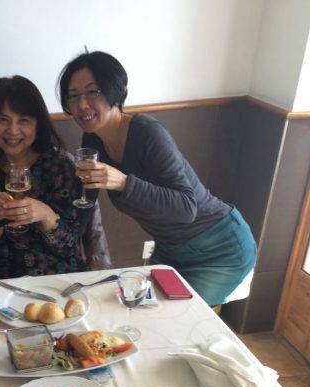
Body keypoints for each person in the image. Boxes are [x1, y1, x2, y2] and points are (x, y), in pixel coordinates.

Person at [58, 51, 257, 306]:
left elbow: (186, 208)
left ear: (115, 92)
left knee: (176, 317)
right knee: (148, 313)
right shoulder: (92, 138)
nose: (82, 104)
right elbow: (87, 200)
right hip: (169, 248)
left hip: (219, 248)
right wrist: (63, 240)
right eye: (73, 95)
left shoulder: (147, 133)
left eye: (92, 92)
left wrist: (123, 182)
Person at [0, 75, 89, 279]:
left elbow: (70, 247)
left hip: (53, 278)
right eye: (3, 120)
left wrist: (46, 215)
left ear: (38, 125)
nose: (12, 130)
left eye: (24, 121)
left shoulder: (59, 167)